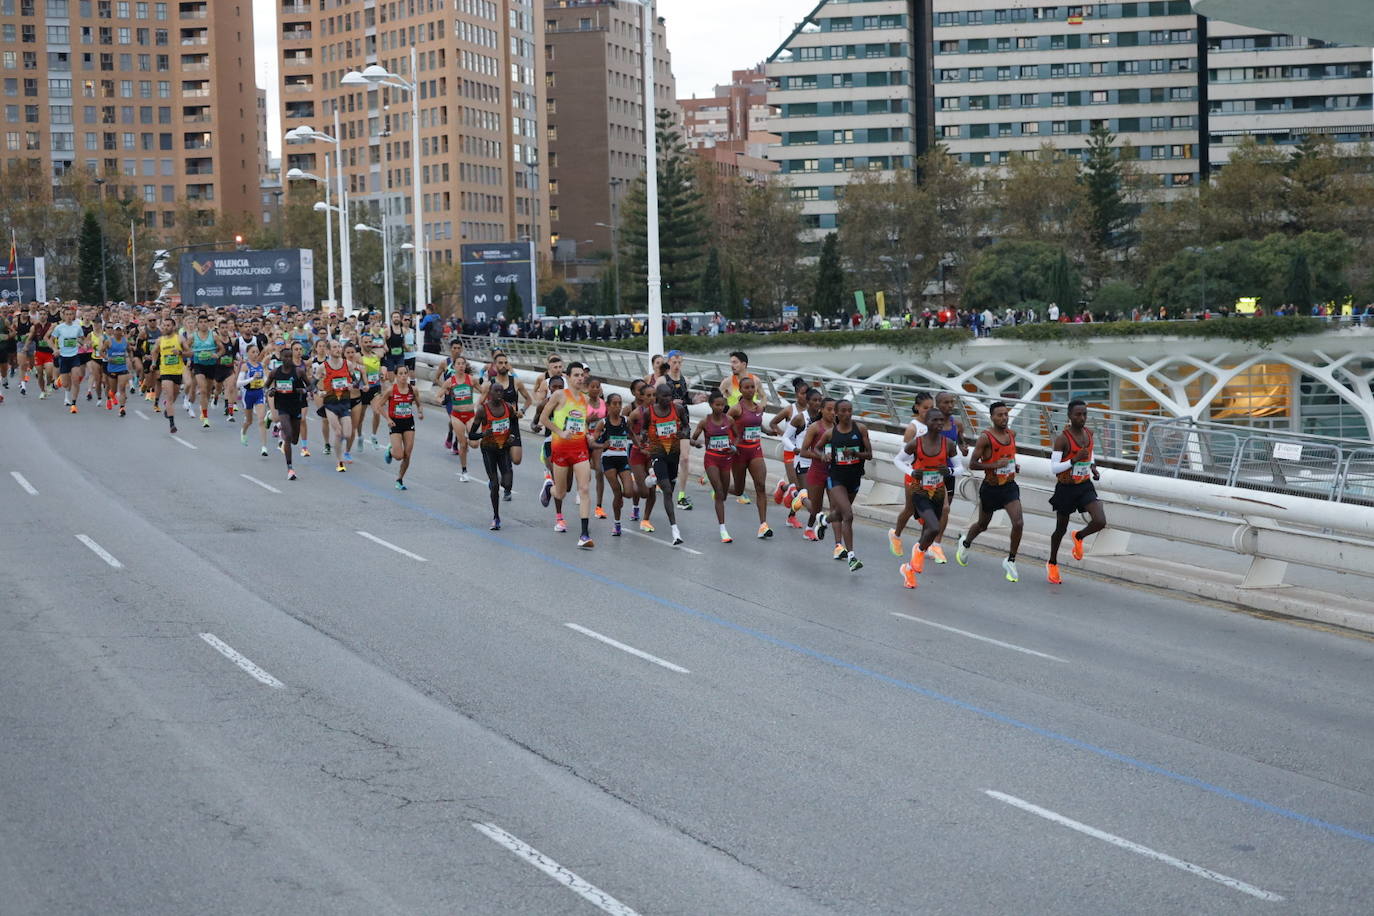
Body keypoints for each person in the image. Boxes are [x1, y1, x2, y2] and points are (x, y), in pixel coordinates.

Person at [955, 401, 1023, 582]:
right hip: (991, 488)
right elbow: (973, 464)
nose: (1003, 418)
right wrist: (995, 465)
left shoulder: (1012, 434)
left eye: (1006, 414)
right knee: (982, 524)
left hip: (1009, 487)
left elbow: (1008, 455)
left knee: (1018, 523)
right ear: (992, 417)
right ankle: (966, 542)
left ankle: (1011, 560)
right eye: (999, 415)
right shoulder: (985, 438)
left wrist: (1012, 465)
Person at [1047, 400, 1107, 584]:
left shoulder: (1089, 434)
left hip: (1084, 485)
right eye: (1078, 415)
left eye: (1084, 414)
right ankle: (1052, 563)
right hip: (1066, 488)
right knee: (1060, 529)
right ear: (1069, 416)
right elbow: (1054, 468)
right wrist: (1073, 461)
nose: (1082, 418)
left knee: (1100, 521)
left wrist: (1094, 468)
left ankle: (1079, 536)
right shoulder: (1062, 439)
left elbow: (1090, 453)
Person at [537, 361, 596, 549]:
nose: (580, 378)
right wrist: (560, 432)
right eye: (576, 375)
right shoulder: (559, 395)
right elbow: (543, 419)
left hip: (579, 450)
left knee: (584, 489)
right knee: (561, 493)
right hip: (561, 449)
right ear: (568, 377)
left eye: (582, 375)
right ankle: (549, 488)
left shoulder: (585, 400)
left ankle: (584, 534)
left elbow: (580, 422)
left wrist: (587, 433)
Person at [812, 399, 871, 571]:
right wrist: (823, 456)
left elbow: (869, 455)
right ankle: (851, 557)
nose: (847, 414)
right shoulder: (830, 434)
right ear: (836, 413)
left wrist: (855, 453)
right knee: (848, 515)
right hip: (836, 478)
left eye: (850, 410)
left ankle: (823, 520)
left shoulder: (860, 429)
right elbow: (817, 448)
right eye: (843, 411)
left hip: (854, 477)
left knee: (838, 513)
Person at [899, 409, 953, 589]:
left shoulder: (949, 444)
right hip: (919, 491)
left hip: (937, 492)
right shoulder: (917, 443)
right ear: (927, 422)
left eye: (941, 420)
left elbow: (960, 466)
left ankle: (908, 570)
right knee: (934, 527)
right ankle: (918, 550)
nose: (939, 423)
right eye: (935, 420)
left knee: (927, 533)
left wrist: (951, 471)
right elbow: (898, 460)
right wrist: (912, 472)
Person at [634, 382, 689, 545]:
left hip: (673, 452)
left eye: (670, 396)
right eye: (664, 396)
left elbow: (686, 426)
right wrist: (644, 437)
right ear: (657, 397)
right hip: (657, 452)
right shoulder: (649, 412)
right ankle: (675, 531)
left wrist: (683, 433)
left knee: (670, 488)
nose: (668, 399)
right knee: (666, 490)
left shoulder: (678, 410)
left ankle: (653, 478)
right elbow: (643, 429)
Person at [888, 392, 934, 557]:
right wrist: (913, 471)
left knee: (930, 510)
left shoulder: (934, 425)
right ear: (917, 408)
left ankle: (923, 546)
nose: (928, 411)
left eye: (931, 408)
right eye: (925, 408)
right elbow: (903, 457)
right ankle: (896, 534)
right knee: (910, 509)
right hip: (913, 474)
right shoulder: (912, 428)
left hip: (930, 475)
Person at [727, 375, 773, 538]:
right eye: (746, 387)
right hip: (739, 453)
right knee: (739, 490)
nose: (750, 390)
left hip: (755, 451)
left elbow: (757, 423)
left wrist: (768, 431)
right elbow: (724, 426)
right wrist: (730, 443)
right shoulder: (736, 409)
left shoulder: (759, 408)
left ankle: (763, 525)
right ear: (740, 390)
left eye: (752, 387)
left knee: (760, 486)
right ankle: (719, 487)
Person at [469, 381, 515, 530]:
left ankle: (500, 480)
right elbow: (471, 435)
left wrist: (511, 436)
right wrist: (484, 434)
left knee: (507, 484)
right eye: (496, 391)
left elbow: (513, 422)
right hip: (488, 449)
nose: (500, 394)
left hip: (504, 448)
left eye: (501, 391)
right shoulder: (483, 410)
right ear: (490, 393)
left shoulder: (508, 407)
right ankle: (496, 517)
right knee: (494, 485)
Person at [692, 392, 737, 542]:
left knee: (723, 494)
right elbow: (692, 438)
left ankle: (717, 491)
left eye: (722, 405)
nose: (720, 407)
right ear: (711, 405)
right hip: (711, 459)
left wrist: (734, 447)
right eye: (717, 405)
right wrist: (696, 443)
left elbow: (737, 436)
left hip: (726, 459)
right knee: (719, 492)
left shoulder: (729, 420)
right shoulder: (705, 422)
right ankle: (723, 529)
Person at [594, 392, 635, 538]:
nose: (618, 406)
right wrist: (602, 445)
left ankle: (619, 499)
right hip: (608, 459)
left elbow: (632, 435)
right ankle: (617, 525)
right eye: (614, 404)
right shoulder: (603, 423)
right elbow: (593, 441)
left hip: (623, 459)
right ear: (608, 406)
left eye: (620, 403)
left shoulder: (626, 420)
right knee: (617, 492)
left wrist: (641, 446)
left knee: (629, 492)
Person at [663, 350, 700, 511]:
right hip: (667, 424)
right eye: (674, 362)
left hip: (683, 422)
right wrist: (670, 403)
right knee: (667, 458)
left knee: (684, 459)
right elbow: (654, 401)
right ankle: (658, 478)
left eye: (680, 362)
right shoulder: (662, 380)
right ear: (669, 362)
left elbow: (685, 399)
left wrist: (694, 400)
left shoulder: (684, 379)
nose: (677, 365)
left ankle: (682, 495)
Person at [796, 397, 836, 542]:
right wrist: (821, 457)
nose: (833, 413)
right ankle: (802, 500)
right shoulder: (815, 427)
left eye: (835, 410)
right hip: (817, 471)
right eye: (829, 409)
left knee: (835, 508)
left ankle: (839, 546)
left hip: (833, 473)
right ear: (822, 410)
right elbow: (803, 452)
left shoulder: (838, 427)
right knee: (816, 508)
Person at [379, 363, 423, 490]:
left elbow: (419, 404)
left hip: (408, 422)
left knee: (407, 455)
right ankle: (390, 450)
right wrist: (387, 419)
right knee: (398, 456)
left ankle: (399, 479)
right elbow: (379, 405)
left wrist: (420, 412)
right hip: (395, 423)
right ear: (396, 376)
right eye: (401, 374)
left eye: (405, 373)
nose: (403, 376)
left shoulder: (413, 390)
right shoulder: (391, 390)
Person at [267, 344, 307, 480]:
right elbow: (265, 386)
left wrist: (304, 390)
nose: (289, 359)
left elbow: (310, 385)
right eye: (286, 357)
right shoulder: (275, 372)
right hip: (282, 406)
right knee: (288, 436)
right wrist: (270, 391)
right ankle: (290, 469)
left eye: (290, 356)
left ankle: (285, 436)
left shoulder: (299, 371)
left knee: (295, 439)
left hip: (296, 406)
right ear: (281, 358)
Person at [318, 339, 354, 472]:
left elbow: (355, 380)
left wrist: (352, 385)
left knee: (348, 434)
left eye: (339, 347)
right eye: (334, 347)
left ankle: (337, 446)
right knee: (338, 432)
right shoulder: (323, 367)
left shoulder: (348, 364)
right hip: (330, 403)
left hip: (344, 402)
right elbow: (313, 383)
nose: (338, 349)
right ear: (328, 351)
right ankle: (339, 461)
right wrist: (320, 392)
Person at [154, 315, 189, 434]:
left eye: (168, 325)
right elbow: (154, 351)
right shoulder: (160, 340)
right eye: (164, 325)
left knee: (175, 394)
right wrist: (154, 362)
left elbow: (190, 353)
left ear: (173, 327)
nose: (165, 327)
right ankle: (172, 424)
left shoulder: (180, 339)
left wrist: (179, 352)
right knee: (168, 397)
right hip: (165, 372)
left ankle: (168, 411)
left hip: (177, 372)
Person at [50, 305, 87, 414]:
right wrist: (55, 349)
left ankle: (74, 403)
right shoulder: (59, 328)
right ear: (63, 316)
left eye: (71, 314)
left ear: (73, 315)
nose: (69, 316)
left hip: (74, 356)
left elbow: (81, 339)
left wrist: (82, 344)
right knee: (66, 384)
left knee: (76, 379)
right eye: (67, 315)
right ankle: (63, 388)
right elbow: (51, 339)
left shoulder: (77, 327)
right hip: (63, 357)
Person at [237, 344, 270, 455]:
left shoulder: (261, 365)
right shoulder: (245, 366)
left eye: (257, 352)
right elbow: (238, 383)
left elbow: (265, 380)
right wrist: (251, 379)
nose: (255, 354)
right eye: (253, 352)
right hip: (248, 395)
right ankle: (243, 431)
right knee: (249, 421)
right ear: (248, 353)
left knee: (261, 420)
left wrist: (267, 384)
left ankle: (264, 447)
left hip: (259, 394)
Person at [99, 323, 132, 417]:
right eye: (116, 330)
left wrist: (131, 359)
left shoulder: (125, 341)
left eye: (120, 330)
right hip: (112, 368)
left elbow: (130, 350)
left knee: (122, 389)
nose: (118, 332)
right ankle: (111, 396)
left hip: (122, 368)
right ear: (114, 331)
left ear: (122, 331)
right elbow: (101, 351)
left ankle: (122, 408)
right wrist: (107, 358)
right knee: (113, 390)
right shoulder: (109, 341)